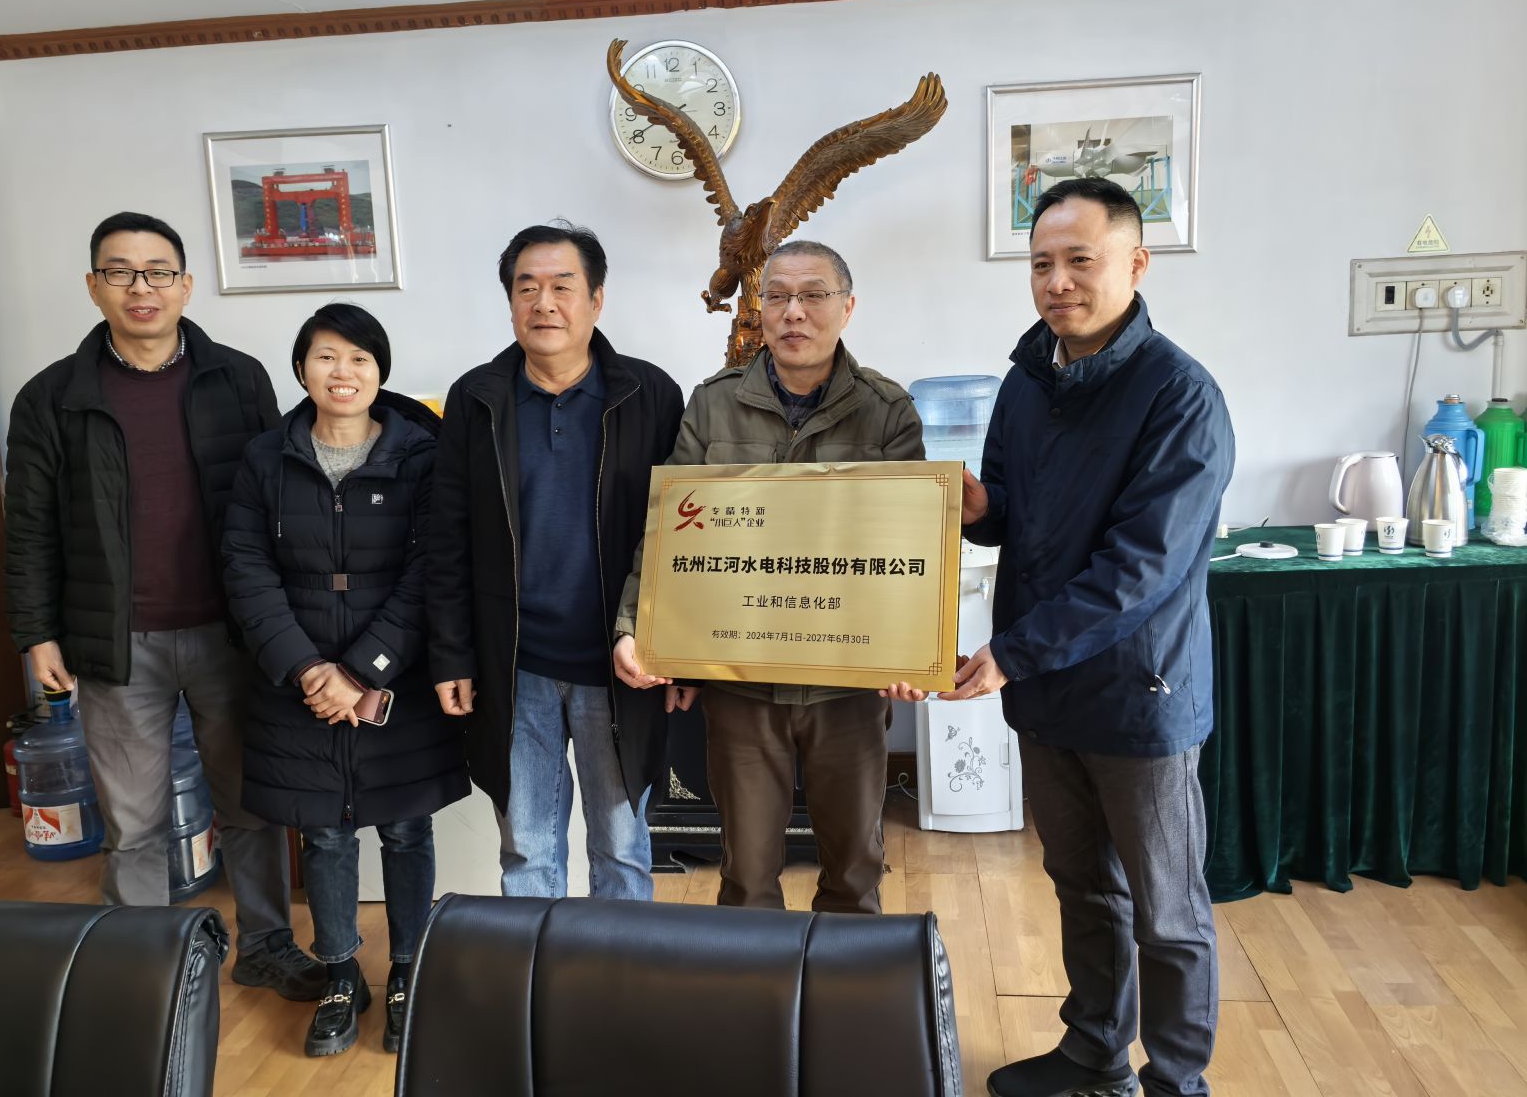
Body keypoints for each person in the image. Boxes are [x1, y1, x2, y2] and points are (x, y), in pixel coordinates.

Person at [955, 178, 1234, 1097]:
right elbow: (1018, 515)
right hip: (1047, 691)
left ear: (1136, 263)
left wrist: (1012, 653)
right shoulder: (1027, 380)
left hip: (1137, 694)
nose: (1058, 282)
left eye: (1081, 260)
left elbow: (1138, 570)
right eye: (1042, 263)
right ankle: (1094, 1054)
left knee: (1167, 911)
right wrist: (981, 509)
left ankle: (1177, 1084)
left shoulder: (1180, 396)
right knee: (1082, 885)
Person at [2, 211, 321, 999]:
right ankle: (144, 970)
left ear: (185, 285)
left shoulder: (238, 378)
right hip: (115, 641)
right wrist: (36, 632)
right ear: (93, 286)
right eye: (120, 271)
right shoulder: (52, 397)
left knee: (250, 806)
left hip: (232, 634)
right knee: (134, 822)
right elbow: (31, 526)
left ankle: (267, 947)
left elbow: (278, 502)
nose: (140, 287)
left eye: (158, 272)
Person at [613, 240, 924, 914]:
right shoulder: (714, 403)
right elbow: (670, 531)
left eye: (813, 295)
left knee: (855, 871)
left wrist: (912, 653)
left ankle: (843, 983)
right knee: (747, 875)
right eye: (777, 296)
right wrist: (645, 633)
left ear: (847, 307)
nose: (793, 312)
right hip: (742, 681)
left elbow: (909, 546)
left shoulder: (886, 409)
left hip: (846, 682)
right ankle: (755, 985)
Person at [222, 303, 469, 1056]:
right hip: (297, 680)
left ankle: (406, 970)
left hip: (394, 676)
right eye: (327, 356)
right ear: (301, 369)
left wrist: (362, 671)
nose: (343, 372)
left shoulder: (422, 455)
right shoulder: (266, 458)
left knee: (405, 827)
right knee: (324, 832)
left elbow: (432, 570)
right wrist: (309, 670)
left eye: (360, 358)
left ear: (380, 372)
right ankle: (339, 974)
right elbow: (245, 569)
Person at [427, 222, 683, 900]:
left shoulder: (650, 394)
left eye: (562, 286)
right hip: (515, 666)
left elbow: (681, 536)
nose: (544, 303)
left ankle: (617, 970)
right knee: (527, 850)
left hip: (621, 666)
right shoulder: (477, 398)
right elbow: (447, 536)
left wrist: (680, 656)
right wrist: (451, 654)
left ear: (596, 300)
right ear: (510, 302)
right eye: (527, 287)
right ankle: (537, 970)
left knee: (622, 848)